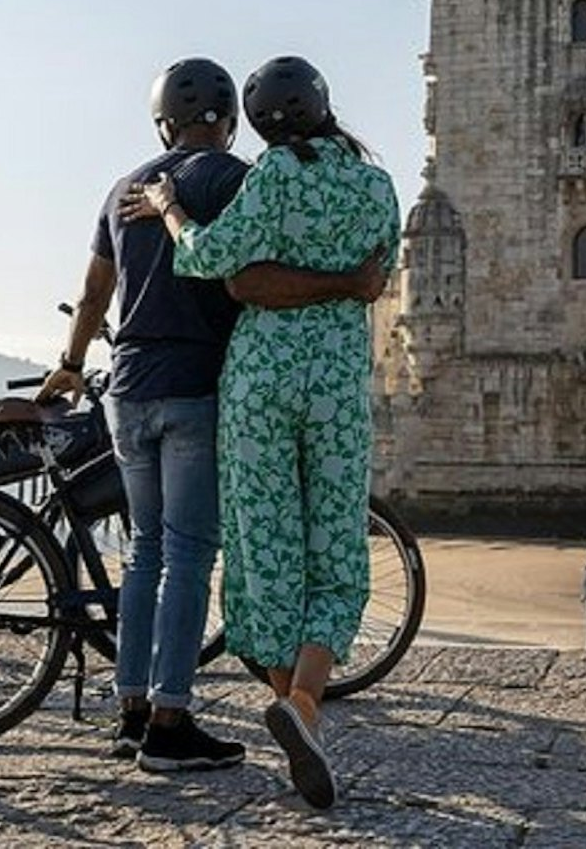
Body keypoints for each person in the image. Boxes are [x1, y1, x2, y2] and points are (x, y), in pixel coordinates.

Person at [40, 57, 385, 776]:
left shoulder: (121, 188)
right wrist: (348, 284)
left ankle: (131, 710)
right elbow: (244, 273)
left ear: (163, 121)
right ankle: (174, 721)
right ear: (228, 124)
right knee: (195, 555)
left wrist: (72, 364)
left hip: (130, 386)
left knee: (148, 553)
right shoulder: (242, 177)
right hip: (208, 387)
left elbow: (95, 289)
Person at [140, 56, 399, 809]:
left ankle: (296, 707)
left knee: (264, 546)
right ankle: (305, 707)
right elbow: (379, 276)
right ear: (325, 103)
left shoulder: (273, 176)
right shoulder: (376, 186)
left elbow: (211, 262)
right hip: (338, 387)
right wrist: (340, 282)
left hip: (260, 381)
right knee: (337, 547)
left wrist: (169, 208)